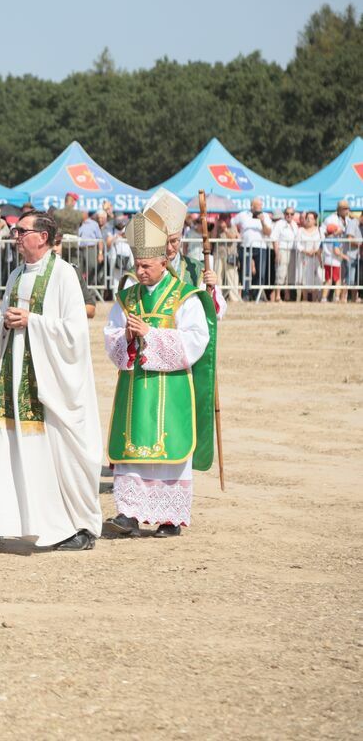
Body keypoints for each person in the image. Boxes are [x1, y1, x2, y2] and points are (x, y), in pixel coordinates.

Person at [0, 211, 102, 555]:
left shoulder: (64, 276)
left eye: (22, 231)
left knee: (59, 452)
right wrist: (4, 322)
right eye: (15, 231)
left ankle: (76, 526)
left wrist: (33, 322)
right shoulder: (17, 274)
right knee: (5, 450)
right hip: (15, 372)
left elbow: (76, 331)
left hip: (50, 381)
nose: (15, 236)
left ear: (44, 237)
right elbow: (1, 314)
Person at [102, 213, 217, 539]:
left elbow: (196, 340)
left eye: (146, 266)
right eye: (137, 265)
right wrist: (124, 336)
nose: (139, 272)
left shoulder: (184, 296)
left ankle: (170, 517)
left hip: (171, 388)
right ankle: (128, 514)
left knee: (169, 448)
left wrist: (150, 334)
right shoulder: (128, 296)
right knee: (132, 446)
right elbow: (109, 337)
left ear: (164, 262)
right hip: (136, 389)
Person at [143, 190, 227, 318]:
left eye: (174, 241)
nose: (170, 248)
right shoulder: (142, 270)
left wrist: (211, 289)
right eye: (164, 242)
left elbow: (217, 313)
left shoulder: (195, 270)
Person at [232, 198, 273, 301]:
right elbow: (232, 223)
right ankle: (245, 294)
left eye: (261, 206)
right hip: (245, 246)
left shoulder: (266, 216)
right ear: (252, 206)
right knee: (245, 271)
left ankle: (257, 295)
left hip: (261, 247)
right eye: (257, 206)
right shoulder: (243, 215)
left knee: (261, 272)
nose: (260, 208)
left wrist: (262, 221)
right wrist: (236, 233)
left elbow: (268, 232)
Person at [322, 200, 360, 300]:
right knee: (330, 279)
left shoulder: (348, 220)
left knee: (341, 277)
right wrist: (335, 233)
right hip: (332, 252)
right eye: (344, 208)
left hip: (344, 252)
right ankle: (326, 298)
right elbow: (323, 234)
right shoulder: (330, 219)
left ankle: (338, 298)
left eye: (347, 208)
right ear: (338, 209)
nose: (346, 210)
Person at [269, 206, 299, 302]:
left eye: (291, 214)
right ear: (284, 214)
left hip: (293, 251)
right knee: (280, 273)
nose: (289, 216)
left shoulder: (295, 224)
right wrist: (277, 253)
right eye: (287, 213)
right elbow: (274, 238)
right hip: (282, 250)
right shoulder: (279, 224)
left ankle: (287, 295)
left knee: (289, 275)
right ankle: (277, 296)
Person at [296, 212, 323, 302]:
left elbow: (322, 243)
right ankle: (305, 298)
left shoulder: (320, 230)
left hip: (315, 257)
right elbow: (297, 243)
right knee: (303, 277)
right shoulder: (300, 230)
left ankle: (315, 299)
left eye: (310, 218)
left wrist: (315, 251)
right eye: (307, 218)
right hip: (303, 257)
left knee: (316, 277)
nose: (308, 220)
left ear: (315, 220)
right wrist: (305, 251)